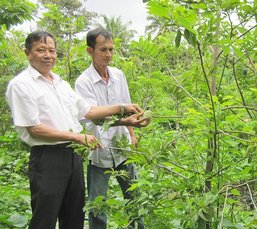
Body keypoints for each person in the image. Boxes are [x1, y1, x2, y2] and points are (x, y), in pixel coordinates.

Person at [5, 31, 149, 229]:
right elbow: (34, 129)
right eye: (41, 50)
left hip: (73, 155)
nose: (48, 55)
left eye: (52, 50)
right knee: (45, 216)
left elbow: (88, 110)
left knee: (74, 216)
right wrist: (77, 136)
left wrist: (123, 109)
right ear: (27, 53)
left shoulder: (60, 83)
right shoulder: (21, 85)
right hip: (48, 157)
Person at [74, 27, 145, 229]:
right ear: (90, 51)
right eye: (103, 50)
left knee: (134, 197)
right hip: (99, 148)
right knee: (98, 204)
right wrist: (122, 111)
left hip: (122, 147)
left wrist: (132, 133)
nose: (108, 55)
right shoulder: (83, 82)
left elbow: (128, 104)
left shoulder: (118, 75)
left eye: (111, 50)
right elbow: (93, 115)